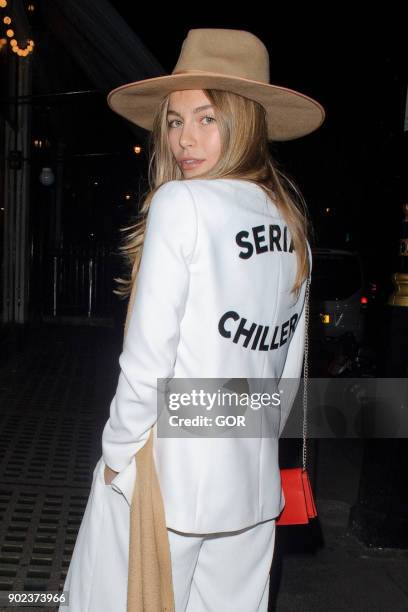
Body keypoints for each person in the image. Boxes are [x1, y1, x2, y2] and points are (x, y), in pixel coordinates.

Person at [60, 28, 325, 612]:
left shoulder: (182, 204)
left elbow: (147, 361)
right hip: (251, 483)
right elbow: (284, 372)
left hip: (166, 479)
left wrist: (115, 456)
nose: (185, 139)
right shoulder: (289, 220)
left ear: (245, 121)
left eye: (207, 117)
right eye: (175, 121)